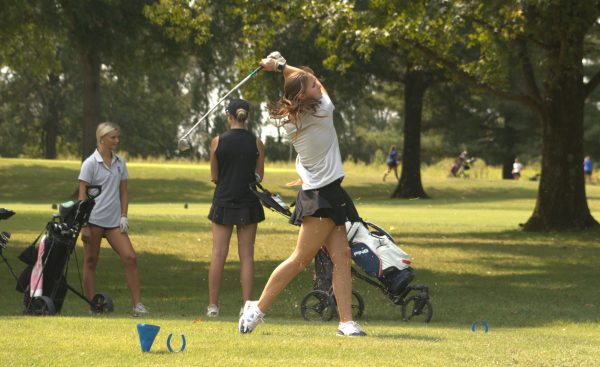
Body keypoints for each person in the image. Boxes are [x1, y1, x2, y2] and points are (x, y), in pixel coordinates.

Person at [238, 53, 367, 337]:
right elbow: (306, 81)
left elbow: (297, 85)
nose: (317, 86)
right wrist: (280, 66)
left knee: (342, 256)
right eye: (311, 86)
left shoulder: (290, 120)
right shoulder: (323, 112)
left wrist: (281, 70)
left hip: (328, 192)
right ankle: (256, 310)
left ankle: (346, 322)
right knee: (300, 259)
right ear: (304, 95)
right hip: (321, 195)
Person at [78, 122, 148, 316]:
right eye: (113, 138)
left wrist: (124, 215)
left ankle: (137, 305)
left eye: (118, 137)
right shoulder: (90, 164)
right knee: (91, 260)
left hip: (113, 222)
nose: (117, 141)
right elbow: (82, 195)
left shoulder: (120, 162)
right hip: (93, 220)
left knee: (130, 257)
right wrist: (83, 224)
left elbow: (124, 191)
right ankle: (93, 305)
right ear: (102, 139)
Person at [206, 98, 265, 317]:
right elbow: (259, 175)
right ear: (246, 116)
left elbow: (214, 176)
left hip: (224, 199)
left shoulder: (217, 141)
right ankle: (247, 306)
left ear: (228, 116)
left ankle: (213, 306)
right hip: (248, 201)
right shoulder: (257, 142)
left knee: (218, 254)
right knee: (247, 256)